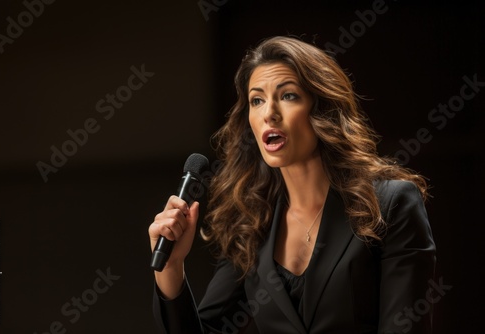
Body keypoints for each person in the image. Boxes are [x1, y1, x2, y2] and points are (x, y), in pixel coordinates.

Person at [148, 36, 436, 333]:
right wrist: (172, 267)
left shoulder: (391, 204)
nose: (269, 113)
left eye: (288, 96)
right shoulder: (251, 222)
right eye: (256, 100)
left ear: (321, 108)